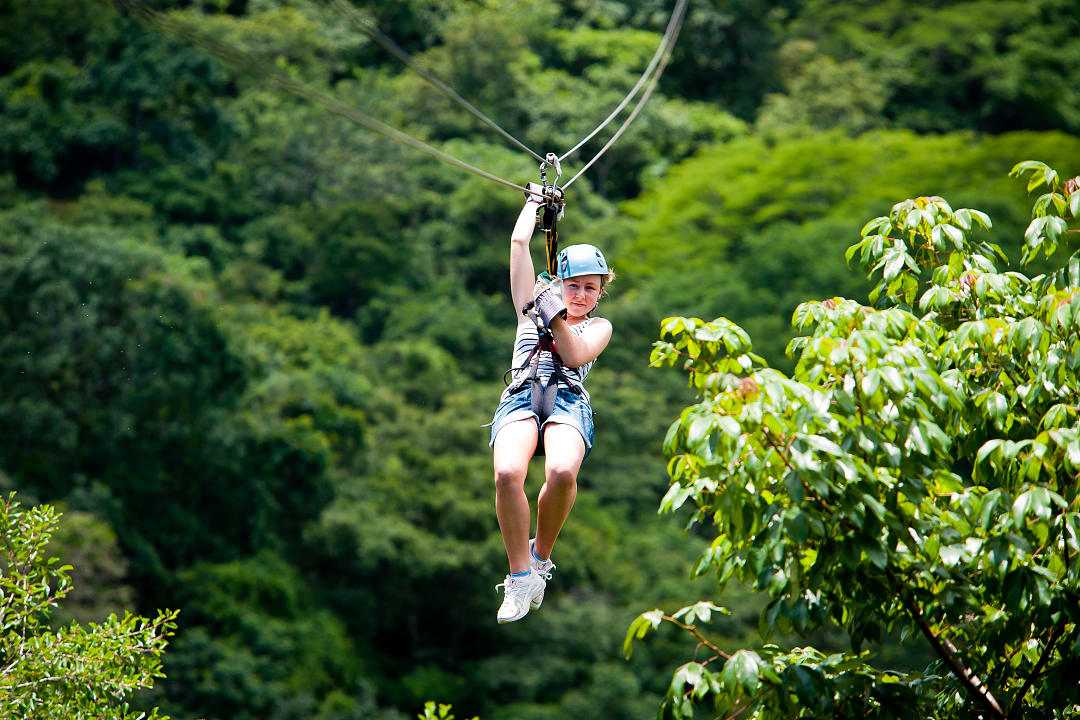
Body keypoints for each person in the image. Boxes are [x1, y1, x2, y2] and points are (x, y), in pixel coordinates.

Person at [489, 193, 614, 623]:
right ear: (559, 282)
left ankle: (540, 557)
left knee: (561, 471)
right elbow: (519, 244)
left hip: (566, 399)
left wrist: (556, 314)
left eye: (589, 289)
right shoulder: (529, 306)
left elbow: (576, 355)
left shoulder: (599, 326)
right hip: (523, 394)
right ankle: (520, 576)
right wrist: (534, 203)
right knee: (508, 473)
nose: (580, 295)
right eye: (573, 285)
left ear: (599, 295)